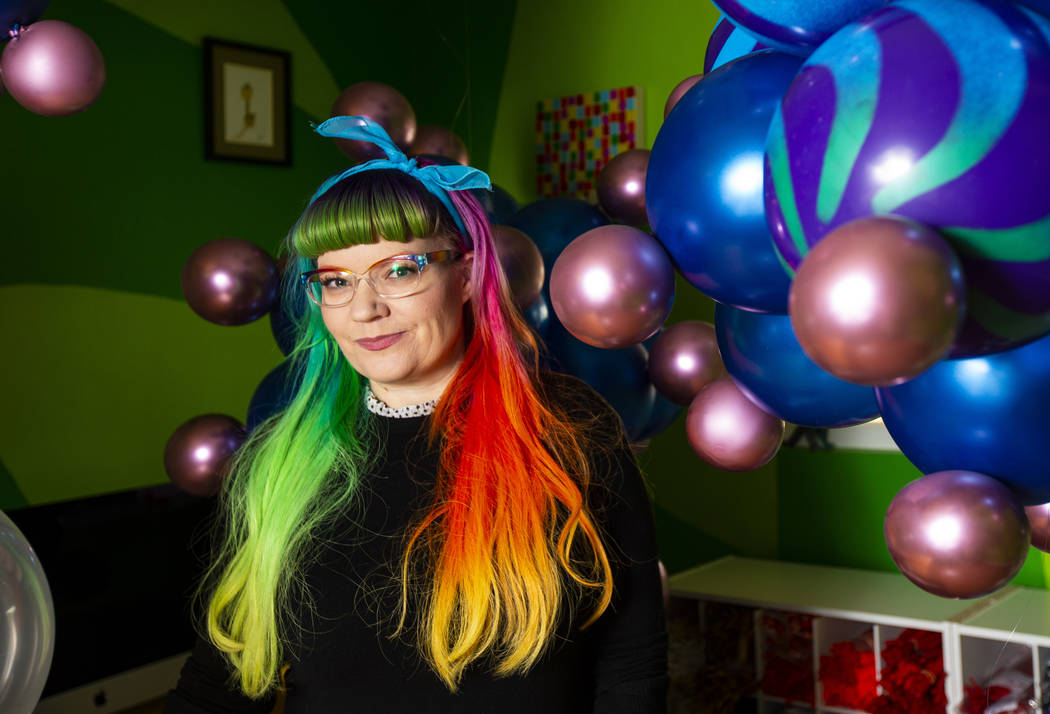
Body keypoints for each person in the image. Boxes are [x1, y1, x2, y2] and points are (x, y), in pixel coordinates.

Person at [164, 116, 668, 714]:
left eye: (400, 270)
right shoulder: (281, 458)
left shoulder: (569, 429)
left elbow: (631, 664)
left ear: (466, 274)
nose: (365, 308)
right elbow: (220, 679)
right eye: (336, 280)